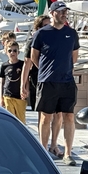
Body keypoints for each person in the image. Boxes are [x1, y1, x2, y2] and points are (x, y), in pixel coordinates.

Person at [31, 1, 80, 166]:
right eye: (61, 11)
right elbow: (34, 57)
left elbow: (74, 56)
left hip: (67, 81)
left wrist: (65, 70)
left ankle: (67, 153)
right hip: (48, 81)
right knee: (46, 117)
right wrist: (46, 71)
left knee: (69, 117)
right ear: (52, 13)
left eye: (65, 11)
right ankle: (44, 151)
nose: (64, 14)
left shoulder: (72, 33)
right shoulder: (41, 34)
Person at [22, 15, 65, 156]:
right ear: (39, 28)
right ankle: (43, 146)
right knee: (45, 115)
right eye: (45, 26)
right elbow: (27, 63)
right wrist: (24, 85)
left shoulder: (58, 39)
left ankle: (54, 145)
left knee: (59, 115)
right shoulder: (33, 41)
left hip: (58, 79)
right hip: (40, 80)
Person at [0, 41, 27, 123]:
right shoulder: (4, 66)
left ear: (18, 52)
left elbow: (26, 79)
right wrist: (1, 98)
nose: (12, 53)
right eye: (10, 51)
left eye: (15, 50)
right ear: (6, 52)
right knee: (9, 119)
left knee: (20, 120)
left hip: (20, 96)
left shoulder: (22, 64)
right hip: (8, 95)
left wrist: (27, 90)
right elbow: (2, 82)